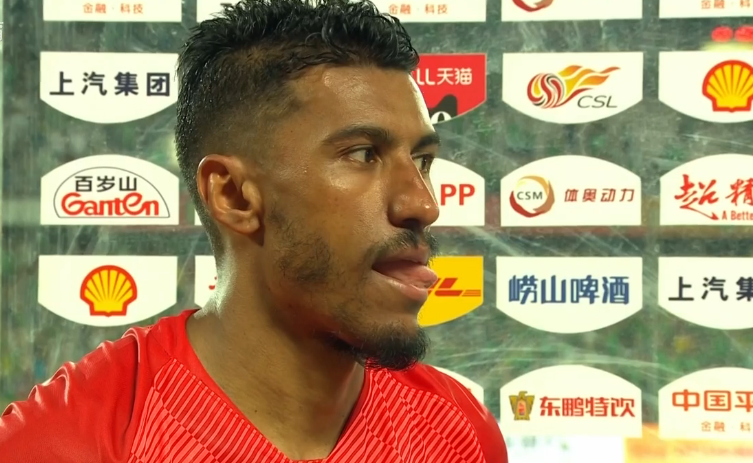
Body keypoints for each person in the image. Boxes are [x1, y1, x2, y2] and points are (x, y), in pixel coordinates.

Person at [0, 0, 508, 461]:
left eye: (422, 160)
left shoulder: (459, 434)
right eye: (362, 154)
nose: (423, 203)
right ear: (233, 196)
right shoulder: (61, 443)